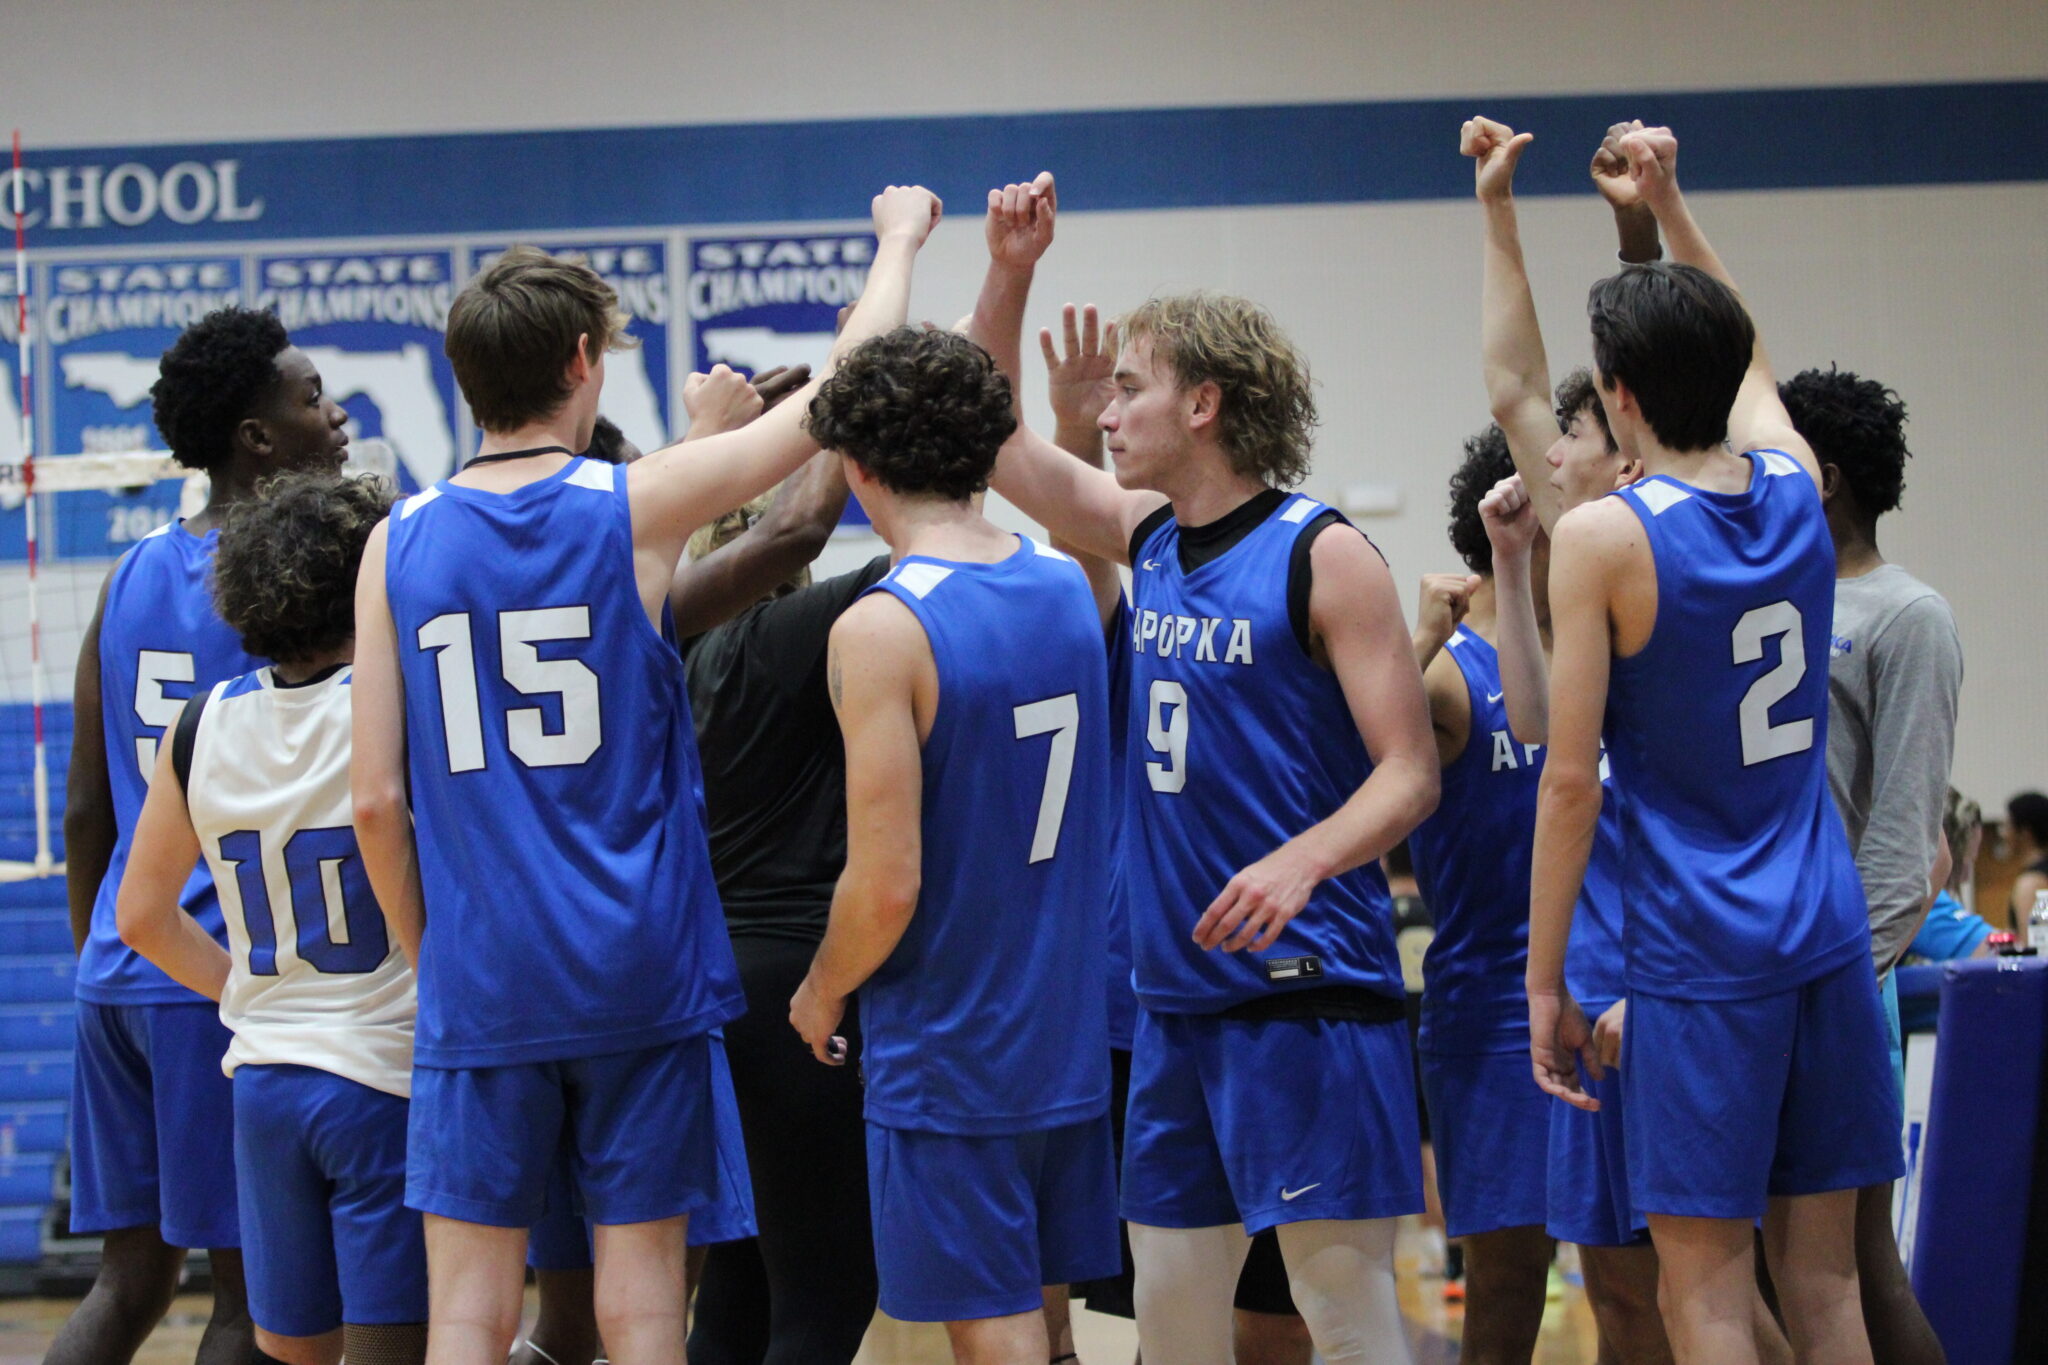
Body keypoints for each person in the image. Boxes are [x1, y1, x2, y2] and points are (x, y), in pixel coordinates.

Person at [351, 187, 939, 1365]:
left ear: (461, 374)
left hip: (485, 975)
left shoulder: (395, 540)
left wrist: (438, 959)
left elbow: (375, 802)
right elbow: (840, 399)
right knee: (637, 1304)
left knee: (466, 1310)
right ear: (583, 361)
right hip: (634, 968)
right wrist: (897, 243)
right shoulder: (634, 503)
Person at [989, 201, 1439, 1361]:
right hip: (1176, 1001)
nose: (1105, 409)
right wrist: (1006, 273)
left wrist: (1304, 857)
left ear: (1203, 403)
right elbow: (992, 444)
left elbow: (1407, 772)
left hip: (1307, 992)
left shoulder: (1319, 551)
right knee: (1174, 1324)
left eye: (1129, 387)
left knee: (1343, 1320)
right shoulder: (1144, 539)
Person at [1526, 126, 1902, 1364]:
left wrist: (1542, 983)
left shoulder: (1604, 540)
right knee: (1828, 1290)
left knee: (1701, 1292)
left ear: (1617, 397)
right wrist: (1671, 203)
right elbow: (1747, 354)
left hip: (1700, 954)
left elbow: (1569, 779)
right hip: (1824, 934)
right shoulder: (1796, 481)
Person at [786, 322, 1119, 1365]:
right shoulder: (1067, 584)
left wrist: (821, 990)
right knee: (1043, 1319)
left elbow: (884, 884)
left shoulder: (880, 627)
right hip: (1063, 1030)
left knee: (996, 1337)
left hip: (953, 1045)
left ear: (856, 466)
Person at [54, 305, 351, 1365]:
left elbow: (87, 805)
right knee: (247, 1305)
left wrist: (106, 956)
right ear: (257, 438)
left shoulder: (128, 575)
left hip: (119, 975)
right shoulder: (296, 581)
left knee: (127, 1286)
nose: (339, 416)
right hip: (213, 974)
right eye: (312, 398)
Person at [114, 472, 424, 1365]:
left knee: (291, 1353)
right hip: (383, 1078)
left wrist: (253, 992)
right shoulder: (390, 709)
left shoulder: (200, 722)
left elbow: (140, 915)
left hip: (264, 1086)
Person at [1786, 360, 1962, 1365]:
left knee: (1851, 1268)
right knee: (1762, 1270)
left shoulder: (1907, 616)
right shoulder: (1763, 600)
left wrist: (1840, 977)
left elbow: (1904, 849)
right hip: (1763, 970)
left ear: (1824, 477)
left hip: (1841, 980)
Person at [1403, 425, 1558, 1365]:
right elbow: (1325, 753)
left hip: (1614, 992)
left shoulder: (1604, 650)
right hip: (1494, 1014)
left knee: (1643, 1282)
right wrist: (1416, 634)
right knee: (1506, 1288)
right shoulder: (1451, 675)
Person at [2004, 791, 2048, 927]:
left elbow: (2035, 944)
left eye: (2008, 826)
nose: (2004, 833)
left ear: (2025, 833)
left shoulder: (2031, 884)